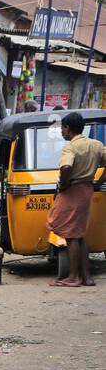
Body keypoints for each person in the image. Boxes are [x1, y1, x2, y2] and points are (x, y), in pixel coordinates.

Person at [47, 110, 106, 287]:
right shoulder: (96, 144)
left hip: (73, 190)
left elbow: (65, 167)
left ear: (68, 128)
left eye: (62, 129)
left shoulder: (70, 147)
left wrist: (63, 185)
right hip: (87, 189)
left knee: (71, 234)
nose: (61, 132)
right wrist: (98, 182)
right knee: (79, 234)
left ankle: (73, 277)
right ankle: (86, 277)